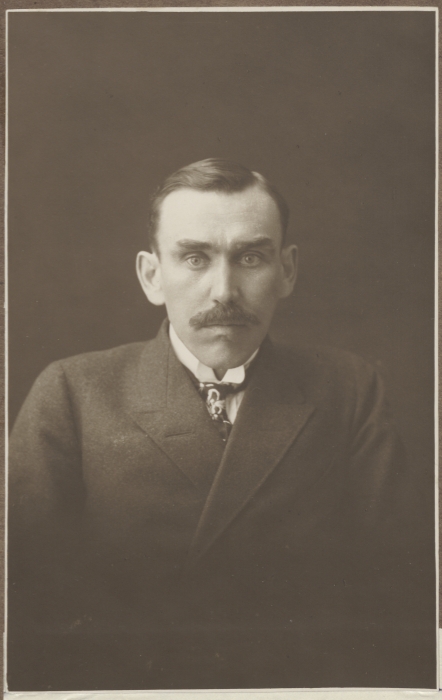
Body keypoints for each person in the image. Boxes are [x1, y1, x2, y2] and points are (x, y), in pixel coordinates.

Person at [8, 159, 435, 691]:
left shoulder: (349, 390)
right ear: (152, 275)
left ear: (287, 270)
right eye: (194, 258)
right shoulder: (72, 392)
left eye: (251, 257)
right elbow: (27, 608)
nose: (224, 291)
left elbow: (396, 600)